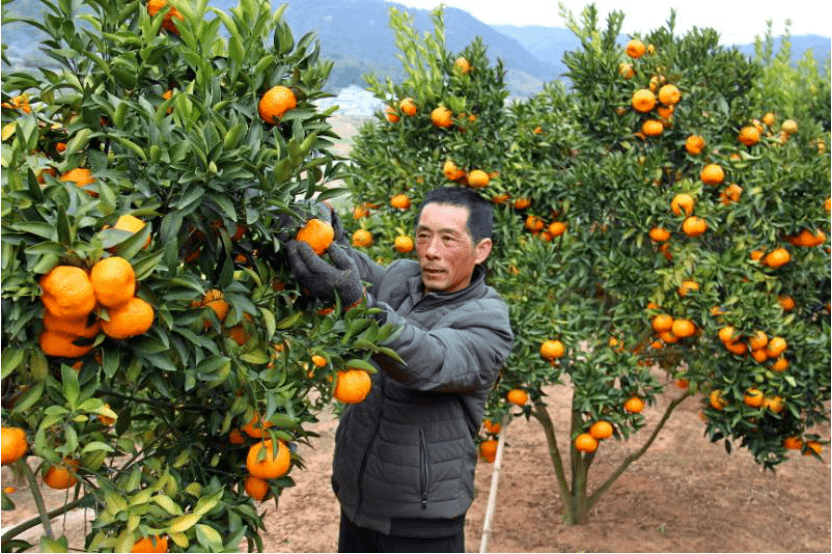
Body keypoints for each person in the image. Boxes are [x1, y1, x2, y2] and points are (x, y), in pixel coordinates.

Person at [286, 186, 513, 553]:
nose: (431, 251)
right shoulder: (401, 279)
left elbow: (427, 360)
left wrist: (358, 304)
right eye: (423, 236)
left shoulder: (487, 321)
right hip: (357, 506)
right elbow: (352, 270)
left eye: (448, 239)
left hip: (420, 526)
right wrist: (322, 230)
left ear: (481, 249)